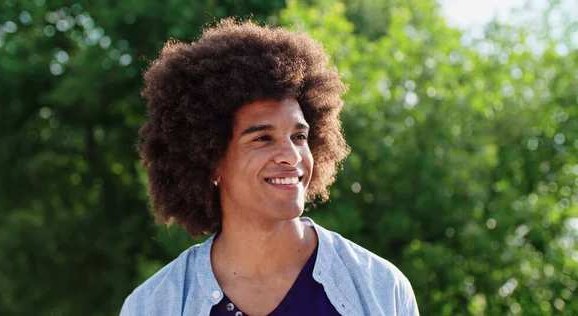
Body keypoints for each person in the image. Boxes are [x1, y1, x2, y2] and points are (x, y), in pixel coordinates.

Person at [120, 19, 419, 316]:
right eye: (263, 138)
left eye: (299, 136)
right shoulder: (153, 305)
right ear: (209, 161)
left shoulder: (380, 288)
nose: (291, 155)